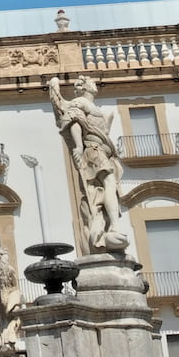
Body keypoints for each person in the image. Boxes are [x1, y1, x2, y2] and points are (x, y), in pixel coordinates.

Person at [48, 75, 128, 252]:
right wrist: (77, 146)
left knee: (109, 187)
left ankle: (109, 227)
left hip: (104, 152)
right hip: (93, 150)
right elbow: (74, 121)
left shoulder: (93, 107)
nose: (95, 83)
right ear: (84, 87)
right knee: (108, 183)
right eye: (91, 82)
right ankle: (113, 226)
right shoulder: (81, 102)